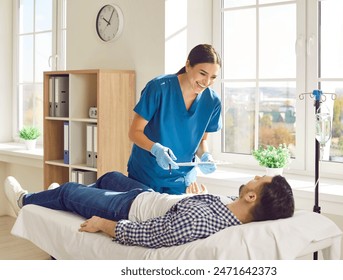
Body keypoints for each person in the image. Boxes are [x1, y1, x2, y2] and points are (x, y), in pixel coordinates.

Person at [4, 171, 294, 249]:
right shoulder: (231, 208)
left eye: (259, 179)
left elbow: (153, 234)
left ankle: (24, 201)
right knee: (109, 177)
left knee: (68, 191)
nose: (254, 177)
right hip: (149, 195)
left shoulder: (202, 220)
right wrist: (202, 196)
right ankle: (52, 196)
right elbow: (218, 205)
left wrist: (105, 225)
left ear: (253, 196)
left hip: (130, 208)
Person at [128, 44, 222, 195]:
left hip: (182, 182)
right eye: (203, 73)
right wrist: (156, 149)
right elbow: (134, 132)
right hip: (146, 176)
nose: (207, 82)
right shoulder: (159, 88)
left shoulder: (212, 102)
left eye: (213, 77)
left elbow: (201, 141)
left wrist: (205, 156)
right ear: (188, 65)